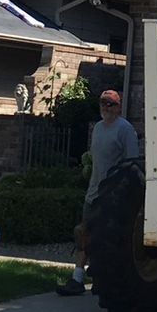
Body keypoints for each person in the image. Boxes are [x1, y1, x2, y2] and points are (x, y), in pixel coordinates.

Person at [59, 88, 141, 295]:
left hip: (113, 196)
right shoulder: (97, 128)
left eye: (110, 104)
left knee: (105, 238)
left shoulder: (125, 130)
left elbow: (131, 163)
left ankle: (100, 279)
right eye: (103, 103)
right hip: (94, 191)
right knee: (84, 233)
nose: (106, 107)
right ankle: (77, 279)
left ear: (118, 107)